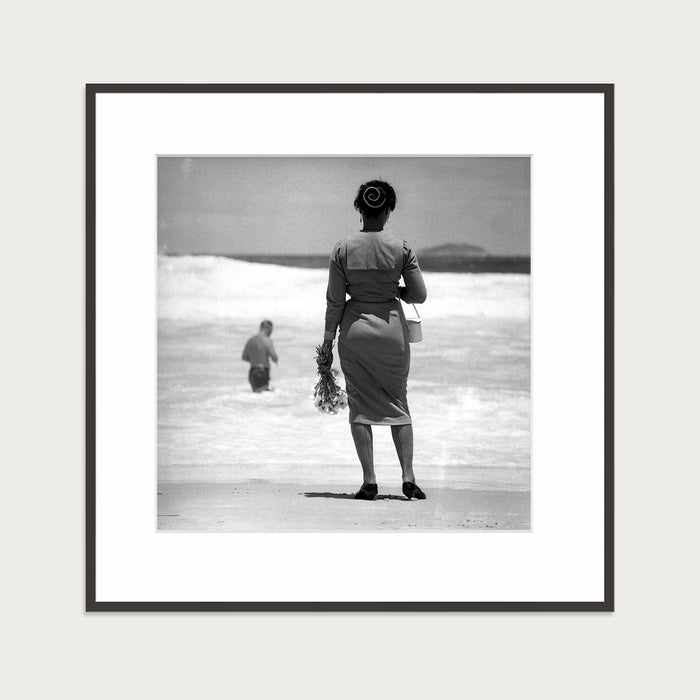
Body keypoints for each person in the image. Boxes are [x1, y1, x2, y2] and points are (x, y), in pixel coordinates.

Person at [321, 180, 427, 501]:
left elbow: (335, 302)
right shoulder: (401, 247)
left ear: (360, 208)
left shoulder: (343, 248)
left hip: (355, 334)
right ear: (388, 210)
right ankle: (408, 478)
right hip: (392, 332)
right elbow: (420, 295)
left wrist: (327, 344)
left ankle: (369, 481)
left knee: (360, 406)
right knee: (398, 403)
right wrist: (396, 291)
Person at [242, 320, 278, 392]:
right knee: (265, 398)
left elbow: (244, 357)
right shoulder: (266, 340)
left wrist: (254, 360)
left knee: (257, 397)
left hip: (252, 373)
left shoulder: (250, 340)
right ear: (269, 328)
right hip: (261, 372)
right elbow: (274, 356)